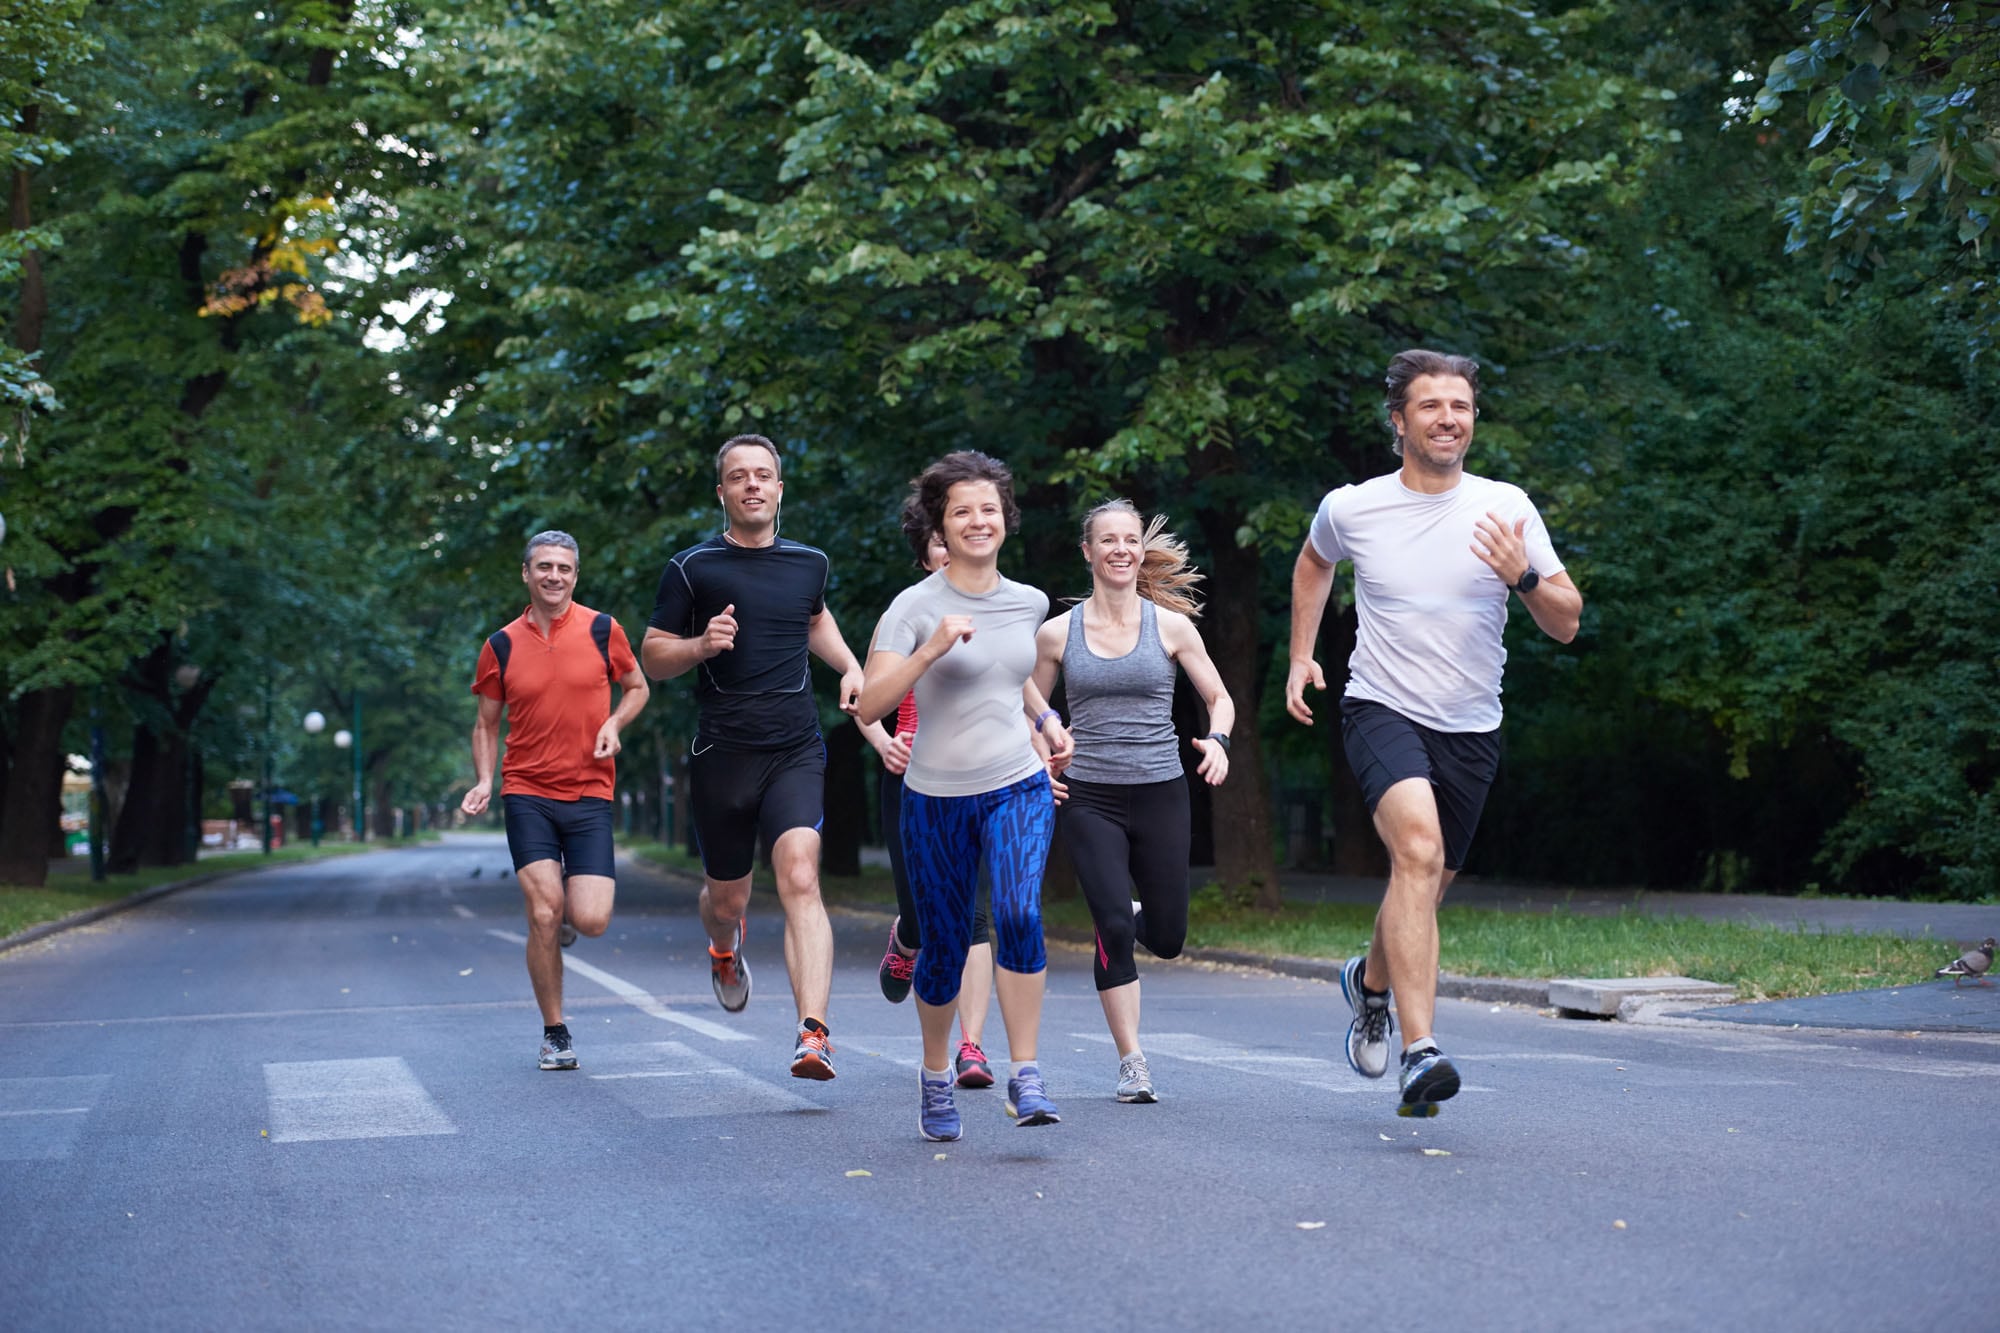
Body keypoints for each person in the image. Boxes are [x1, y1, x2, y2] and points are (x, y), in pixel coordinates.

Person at [1286, 349, 1582, 1116]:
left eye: (1461, 405)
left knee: (1421, 885)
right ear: (1398, 420)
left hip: (1472, 726)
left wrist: (1522, 574)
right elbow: (1314, 563)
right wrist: (1300, 655)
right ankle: (1422, 1050)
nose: (1449, 417)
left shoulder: (1505, 506)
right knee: (1417, 853)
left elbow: (1568, 622)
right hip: (1380, 706)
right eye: (1431, 405)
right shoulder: (1353, 507)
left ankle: (1371, 984)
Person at [858, 450, 1071, 1142]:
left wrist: (1044, 719)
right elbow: (870, 701)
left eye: (988, 509)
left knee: (1015, 910)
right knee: (946, 947)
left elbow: (1009, 676)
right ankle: (932, 1073)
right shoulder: (913, 608)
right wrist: (928, 653)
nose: (978, 521)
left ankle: (1027, 1072)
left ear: (1005, 518)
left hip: (1016, 783)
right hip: (935, 796)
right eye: (961, 512)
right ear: (939, 528)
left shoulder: (1030, 601)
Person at [640, 434, 868, 1082]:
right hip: (722, 753)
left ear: (779, 488)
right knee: (728, 896)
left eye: (762, 475)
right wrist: (700, 646)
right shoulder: (692, 568)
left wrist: (851, 666)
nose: (751, 485)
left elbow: (814, 618)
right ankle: (722, 945)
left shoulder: (809, 563)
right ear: (722, 491)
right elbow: (651, 654)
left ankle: (813, 1032)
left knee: (800, 873)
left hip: (794, 746)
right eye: (738, 476)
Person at [1031, 499, 1234, 1104]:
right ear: (1088, 552)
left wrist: (1218, 740)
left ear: (1140, 552)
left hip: (1162, 791)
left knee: (1167, 937)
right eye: (1108, 541)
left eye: (1130, 540)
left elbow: (1219, 697)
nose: (1121, 550)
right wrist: (1040, 756)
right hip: (1089, 794)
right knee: (1114, 925)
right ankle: (1132, 1061)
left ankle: (1132, 910)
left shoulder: (1170, 627)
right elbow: (1029, 710)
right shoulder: (1055, 634)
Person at [461, 530, 651, 1072]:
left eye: (564, 568)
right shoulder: (499, 645)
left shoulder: (601, 630)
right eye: (544, 566)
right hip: (527, 793)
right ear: (526, 573)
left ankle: (569, 914)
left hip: (590, 791)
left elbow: (638, 686)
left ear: (575, 575)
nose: (554, 576)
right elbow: (486, 724)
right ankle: (555, 1031)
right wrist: (482, 779)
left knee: (589, 920)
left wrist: (615, 722)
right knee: (544, 912)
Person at [863, 516, 1001, 1090]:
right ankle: (908, 937)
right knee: (929, 915)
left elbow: (1021, 691)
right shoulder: (907, 614)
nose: (951, 555)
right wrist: (885, 742)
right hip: (915, 779)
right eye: (939, 548)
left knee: (974, 917)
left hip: (984, 776)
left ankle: (972, 1048)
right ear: (926, 559)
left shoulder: (1003, 610)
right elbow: (865, 702)